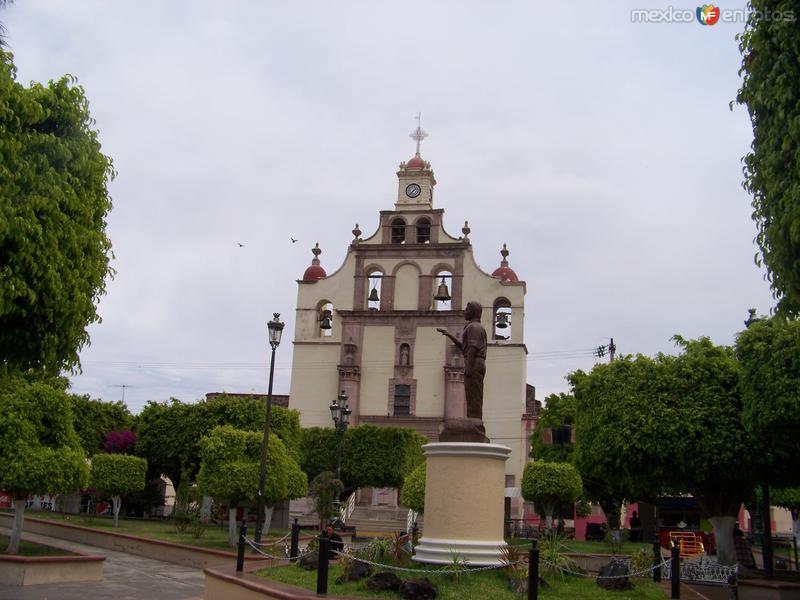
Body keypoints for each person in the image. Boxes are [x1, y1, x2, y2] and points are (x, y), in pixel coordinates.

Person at [437, 301, 487, 419]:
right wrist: (449, 335)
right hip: (474, 362)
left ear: (473, 312)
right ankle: (473, 420)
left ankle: (475, 422)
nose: (465, 311)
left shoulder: (474, 327)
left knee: (474, 395)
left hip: (474, 363)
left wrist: (468, 367)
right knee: (471, 395)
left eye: (467, 309)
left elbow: (472, 349)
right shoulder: (472, 327)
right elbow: (465, 348)